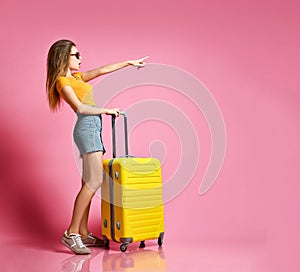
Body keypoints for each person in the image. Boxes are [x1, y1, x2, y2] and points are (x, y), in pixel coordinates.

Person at [46, 39, 148, 254]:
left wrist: (129, 62)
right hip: (87, 128)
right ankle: (71, 233)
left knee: (88, 181)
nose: (80, 58)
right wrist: (106, 110)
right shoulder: (62, 81)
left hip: (92, 128)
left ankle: (83, 232)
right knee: (95, 180)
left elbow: (103, 69)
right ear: (64, 57)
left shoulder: (76, 77)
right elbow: (80, 108)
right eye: (76, 55)